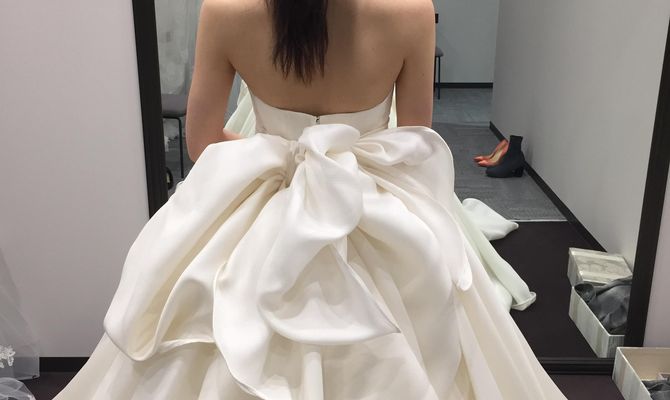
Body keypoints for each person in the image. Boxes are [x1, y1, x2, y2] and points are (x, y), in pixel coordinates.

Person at [55, 0, 567, 398]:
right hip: (374, 208)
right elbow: (413, 143)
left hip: (262, 204)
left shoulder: (227, 10)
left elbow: (203, 139)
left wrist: (281, 156)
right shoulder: (410, 11)